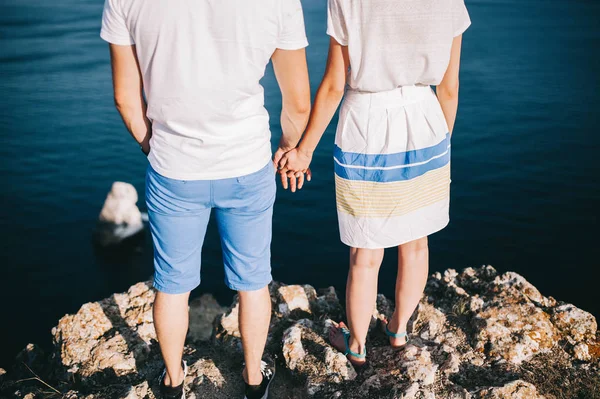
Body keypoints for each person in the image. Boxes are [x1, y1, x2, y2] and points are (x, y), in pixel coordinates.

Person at [100, 0, 311, 397]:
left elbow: (126, 100)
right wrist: (288, 148)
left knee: (173, 286)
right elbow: (298, 102)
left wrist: (156, 148)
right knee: (253, 282)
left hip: (174, 171)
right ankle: (253, 381)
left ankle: (173, 382)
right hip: (247, 165)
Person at [278, 0, 471, 366]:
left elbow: (335, 83)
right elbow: (449, 85)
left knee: (364, 252)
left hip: (367, 123)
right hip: (425, 119)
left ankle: (357, 346)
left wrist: (303, 151)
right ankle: (397, 330)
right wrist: (441, 145)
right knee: (415, 243)